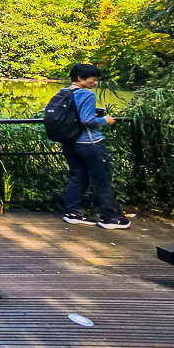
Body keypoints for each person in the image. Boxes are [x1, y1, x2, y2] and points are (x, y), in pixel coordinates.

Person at [60, 63, 130, 229]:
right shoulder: (87, 94)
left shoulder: (62, 92)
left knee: (78, 176)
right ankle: (110, 218)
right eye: (93, 79)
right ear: (80, 78)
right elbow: (87, 120)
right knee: (102, 179)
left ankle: (73, 213)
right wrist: (105, 120)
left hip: (69, 142)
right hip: (90, 143)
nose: (96, 82)